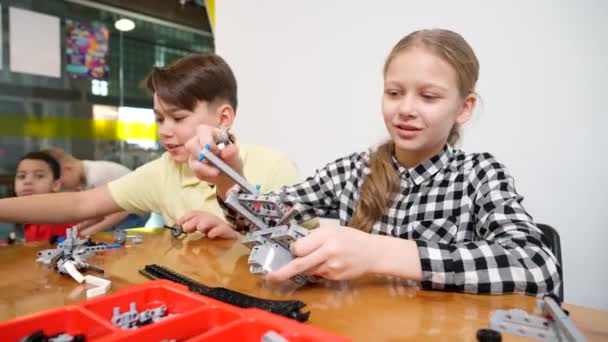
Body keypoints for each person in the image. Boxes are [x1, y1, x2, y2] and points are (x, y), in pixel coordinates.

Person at [186, 29, 561, 296]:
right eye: (394, 93)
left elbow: (536, 265)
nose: (406, 109)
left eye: (429, 97)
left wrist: (378, 252)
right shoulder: (354, 169)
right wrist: (227, 178)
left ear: (464, 108)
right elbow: (271, 218)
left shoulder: (479, 174)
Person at [0, 54, 302, 239]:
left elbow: (306, 249)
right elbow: (80, 204)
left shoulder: (273, 166)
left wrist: (237, 238)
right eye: (159, 119)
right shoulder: (164, 171)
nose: (164, 132)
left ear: (224, 118)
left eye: (178, 117)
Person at [43, 147, 147, 234]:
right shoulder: (85, 177)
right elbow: (98, 212)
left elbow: (121, 211)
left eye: (61, 183)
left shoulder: (95, 177)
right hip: (123, 208)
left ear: (68, 169)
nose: (61, 187)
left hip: (134, 211)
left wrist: (91, 230)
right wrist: (81, 228)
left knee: (115, 235)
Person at [13, 152, 73, 242]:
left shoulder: (57, 220)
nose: (27, 181)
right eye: (22, 176)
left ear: (56, 185)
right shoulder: (29, 216)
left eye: (39, 176)